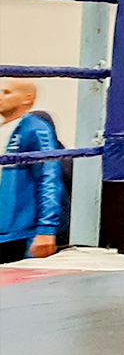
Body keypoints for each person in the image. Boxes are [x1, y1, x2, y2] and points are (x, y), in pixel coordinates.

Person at [0, 80, 65, 263]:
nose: (0, 97)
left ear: (27, 98)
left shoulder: (35, 129)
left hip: (17, 233)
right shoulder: (4, 130)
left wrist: (47, 228)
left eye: (7, 92)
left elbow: (49, 177)